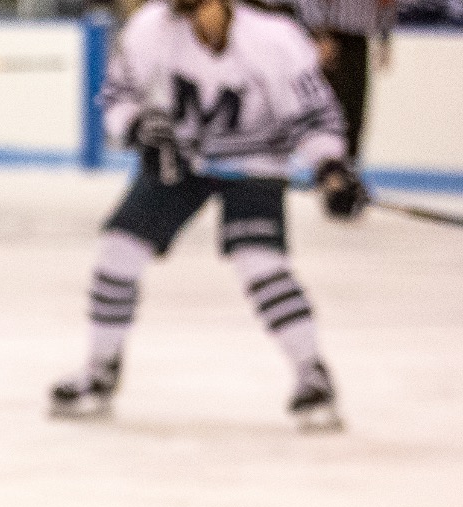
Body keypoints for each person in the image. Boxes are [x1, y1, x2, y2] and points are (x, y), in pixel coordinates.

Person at [49, 0, 368, 429]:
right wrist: (139, 129)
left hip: (255, 163)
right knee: (118, 250)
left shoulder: (273, 38)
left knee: (260, 263)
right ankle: (100, 369)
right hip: (181, 157)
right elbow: (117, 97)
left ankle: (311, 373)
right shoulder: (151, 28)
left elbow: (315, 117)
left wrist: (330, 168)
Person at [299, 0, 394, 162]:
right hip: (330, 35)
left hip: (358, 37)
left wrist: (384, 37)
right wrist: (320, 33)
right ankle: (328, 163)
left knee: (355, 103)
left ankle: (348, 162)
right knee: (330, 104)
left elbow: (385, 3)